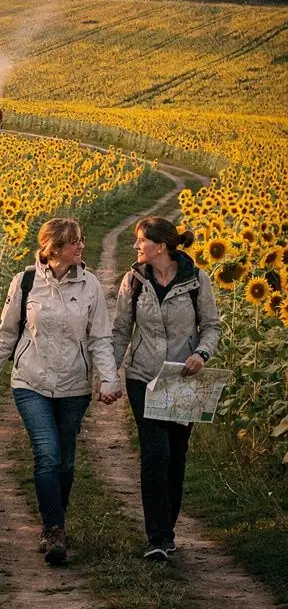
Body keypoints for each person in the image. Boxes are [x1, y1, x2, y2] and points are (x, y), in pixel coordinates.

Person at [0, 217, 121, 565]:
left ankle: (57, 518)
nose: (80, 247)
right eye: (73, 242)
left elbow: (99, 337)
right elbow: (6, 335)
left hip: (74, 386)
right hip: (31, 382)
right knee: (47, 453)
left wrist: (109, 379)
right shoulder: (25, 282)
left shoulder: (91, 286)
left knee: (65, 460)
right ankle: (53, 529)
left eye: (81, 240)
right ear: (52, 249)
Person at [112, 216, 220, 563]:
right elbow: (119, 332)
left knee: (175, 456)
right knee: (155, 454)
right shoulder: (133, 281)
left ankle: (167, 531)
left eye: (141, 240)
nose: (136, 246)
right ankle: (156, 537)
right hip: (143, 376)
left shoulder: (195, 281)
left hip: (181, 380)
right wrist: (109, 373)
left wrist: (201, 355)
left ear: (160, 246)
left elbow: (212, 327)